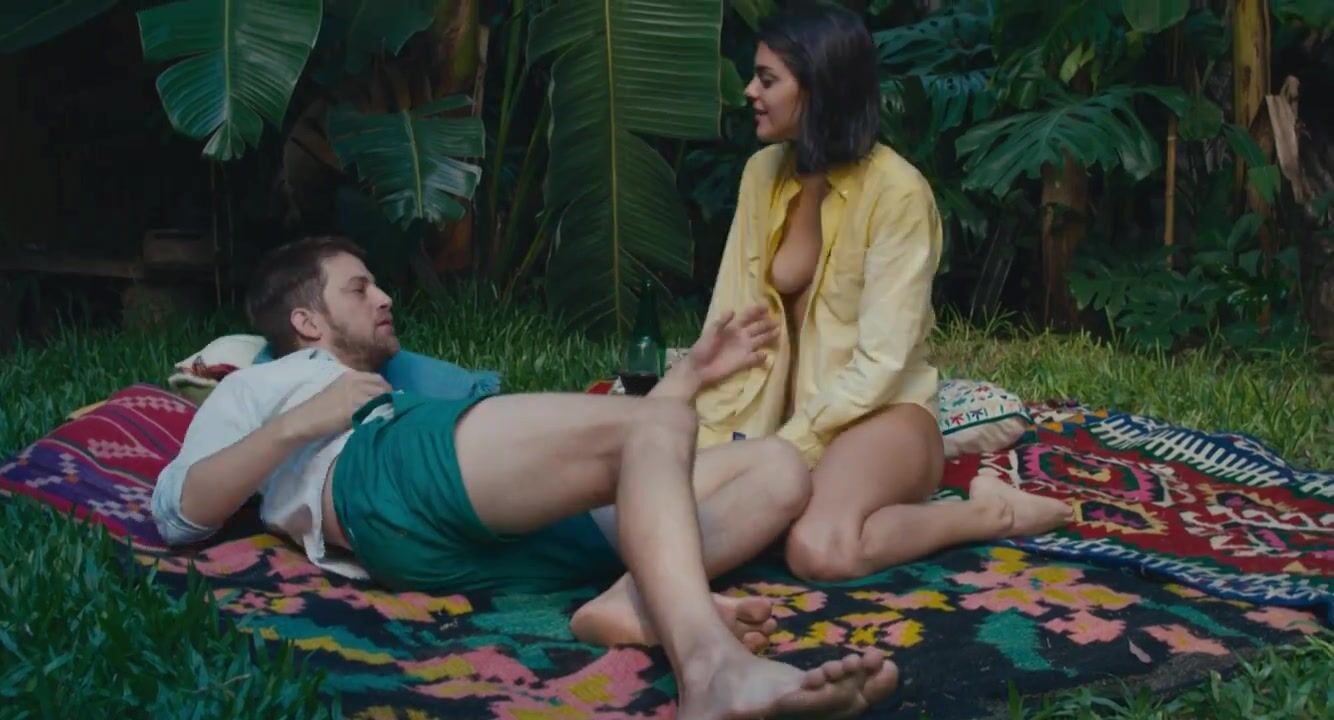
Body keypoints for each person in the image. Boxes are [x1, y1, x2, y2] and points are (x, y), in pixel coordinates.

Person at [151, 236, 898, 719]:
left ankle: (629, 599)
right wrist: (302, 422)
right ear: (307, 322)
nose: (384, 298)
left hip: (485, 542)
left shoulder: (408, 380)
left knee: (779, 468)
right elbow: (177, 513)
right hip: (383, 471)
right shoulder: (270, 382)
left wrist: (693, 374)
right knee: (653, 425)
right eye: (359, 288)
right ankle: (709, 668)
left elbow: (633, 450)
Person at [694, 2, 1073, 583]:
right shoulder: (760, 174)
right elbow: (731, 322)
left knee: (817, 550)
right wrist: (709, 441)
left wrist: (779, 452)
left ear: (818, 89)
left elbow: (882, 365)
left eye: (767, 80)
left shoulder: (899, 193)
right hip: (787, 426)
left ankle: (989, 513)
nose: (749, 91)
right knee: (681, 511)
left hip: (883, 418)